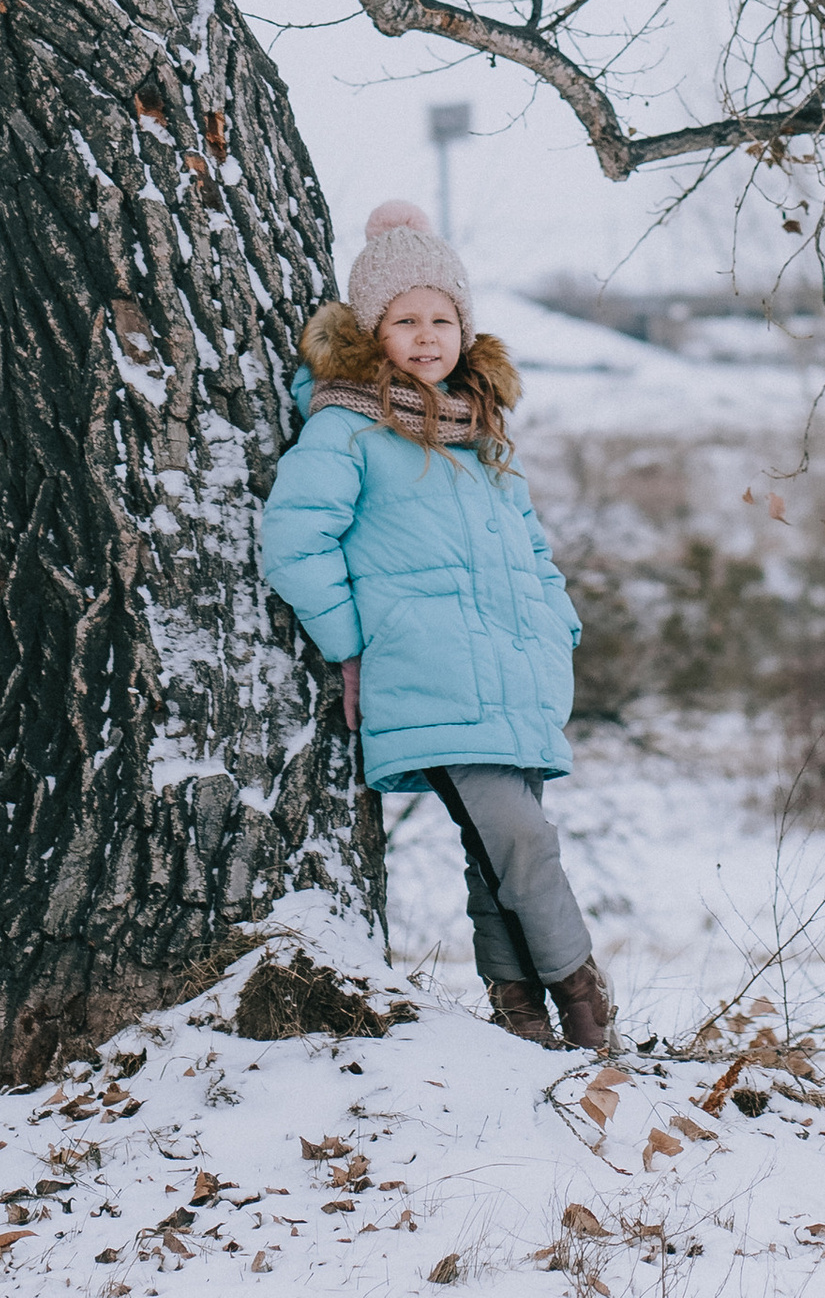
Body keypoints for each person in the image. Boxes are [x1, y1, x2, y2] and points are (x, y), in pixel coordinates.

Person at [259, 196, 620, 1053]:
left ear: (466, 330)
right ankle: (588, 1008)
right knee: (524, 844)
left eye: (443, 319)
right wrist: (353, 647)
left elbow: (533, 548)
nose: (428, 337)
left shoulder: (482, 434)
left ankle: (523, 1023)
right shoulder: (347, 426)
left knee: (499, 860)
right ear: (371, 331)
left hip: (516, 678)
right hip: (430, 679)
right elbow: (294, 541)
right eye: (406, 320)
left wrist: (557, 626)